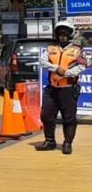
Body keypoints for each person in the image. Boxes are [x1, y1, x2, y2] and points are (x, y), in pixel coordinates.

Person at [36, 21, 87, 155]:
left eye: (65, 34)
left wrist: (66, 73)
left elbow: (82, 66)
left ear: (70, 34)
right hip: (52, 88)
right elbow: (42, 61)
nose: (62, 36)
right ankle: (49, 141)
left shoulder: (77, 49)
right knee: (46, 115)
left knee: (69, 118)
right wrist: (56, 69)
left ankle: (67, 143)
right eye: (60, 33)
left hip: (68, 88)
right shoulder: (50, 48)